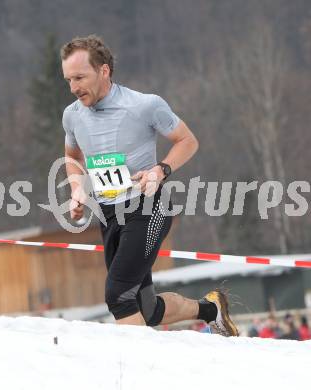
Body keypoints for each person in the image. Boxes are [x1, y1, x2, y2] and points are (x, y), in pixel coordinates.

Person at [60, 35, 239, 336]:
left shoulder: (144, 105)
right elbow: (72, 156)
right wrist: (77, 188)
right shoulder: (72, 115)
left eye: (80, 77)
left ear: (104, 71)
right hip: (108, 212)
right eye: (68, 79)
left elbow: (187, 141)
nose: (73, 87)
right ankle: (212, 309)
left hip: (148, 206)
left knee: (118, 295)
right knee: (147, 309)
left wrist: (161, 169)